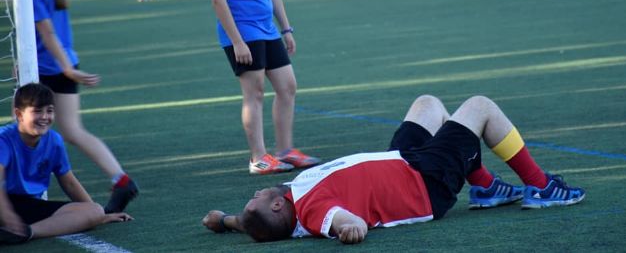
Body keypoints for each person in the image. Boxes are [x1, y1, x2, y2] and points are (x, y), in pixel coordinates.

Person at [202, 94, 585, 244]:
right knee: (480, 107)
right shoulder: (315, 212)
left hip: (399, 162)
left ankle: (483, 187)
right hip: (422, 184)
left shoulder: (282, 204)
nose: (255, 193)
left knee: (428, 105)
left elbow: (243, 221)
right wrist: (350, 229)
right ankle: (542, 187)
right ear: (275, 208)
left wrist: (224, 221)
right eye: (257, 198)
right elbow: (346, 221)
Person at [2, 0, 139, 214]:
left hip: (53, 67)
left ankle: (20, 190)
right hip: (56, 65)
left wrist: (63, 67)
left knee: (35, 124)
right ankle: (120, 180)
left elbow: (48, 32)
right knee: (70, 130)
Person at [205, 0, 320, 175]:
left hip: (267, 30)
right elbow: (219, 1)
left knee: (288, 86)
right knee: (254, 93)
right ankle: (258, 158)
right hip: (243, 33)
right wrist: (237, 42)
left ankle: (285, 150)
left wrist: (286, 28)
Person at [0, 83, 132, 245]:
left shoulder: (54, 141)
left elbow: (69, 182)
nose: (44, 117)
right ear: (19, 114)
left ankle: (27, 232)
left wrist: (98, 215)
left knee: (95, 209)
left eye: (49, 111)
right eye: (37, 111)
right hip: (3, 203)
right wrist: (7, 215)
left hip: (27, 206)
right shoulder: (4, 140)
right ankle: (10, 228)